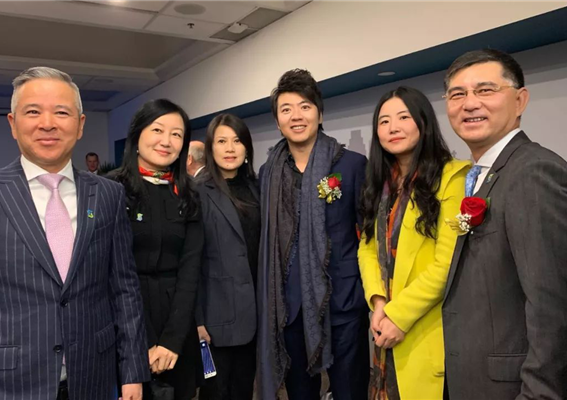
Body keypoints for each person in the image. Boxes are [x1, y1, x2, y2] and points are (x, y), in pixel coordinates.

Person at [0, 67, 149, 400]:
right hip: (2, 384)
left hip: (92, 377)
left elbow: (124, 290)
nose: (48, 123)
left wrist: (133, 372)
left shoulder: (108, 194)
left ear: (80, 125)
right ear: (12, 123)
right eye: (33, 112)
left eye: (62, 112)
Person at [441, 49, 567, 399]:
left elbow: (554, 309)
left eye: (485, 90)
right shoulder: (484, 174)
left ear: (520, 100)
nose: (470, 103)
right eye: (457, 94)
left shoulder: (533, 173)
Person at [257, 69, 370, 400]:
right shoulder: (268, 173)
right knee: (299, 393)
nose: (296, 116)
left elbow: (369, 234)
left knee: (349, 390)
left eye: (305, 106)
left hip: (341, 303)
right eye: (286, 109)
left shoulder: (351, 165)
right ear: (278, 122)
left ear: (319, 114)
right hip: (288, 308)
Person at [358, 86, 469, 399]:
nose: (393, 127)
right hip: (384, 319)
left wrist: (398, 315)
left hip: (427, 324)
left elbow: (447, 263)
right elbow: (367, 247)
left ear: (423, 123)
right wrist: (379, 302)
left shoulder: (452, 177)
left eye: (403, 117)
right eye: (384, 121)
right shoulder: (381, 184)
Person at [109, 99, 204, 400]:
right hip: (125, 322)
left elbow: (191, 270)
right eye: (158, 130)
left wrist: (171, 342)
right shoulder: (110, 190)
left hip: (177, 322)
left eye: (176, 134)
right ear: (137, 135)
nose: (166, 141)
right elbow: (111, 271)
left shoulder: (189, 194)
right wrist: (145, 342)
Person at [195, 113, 260, 400]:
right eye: (222, 141)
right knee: (216, 392)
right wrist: (197, 320)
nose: (230, 148)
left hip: (255, 313)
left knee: (244, 389)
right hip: (215, 316)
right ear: (211, 148)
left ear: (247, 147)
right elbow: (191, 262)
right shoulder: (198, 192)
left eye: (237, 141)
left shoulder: (258, 188)